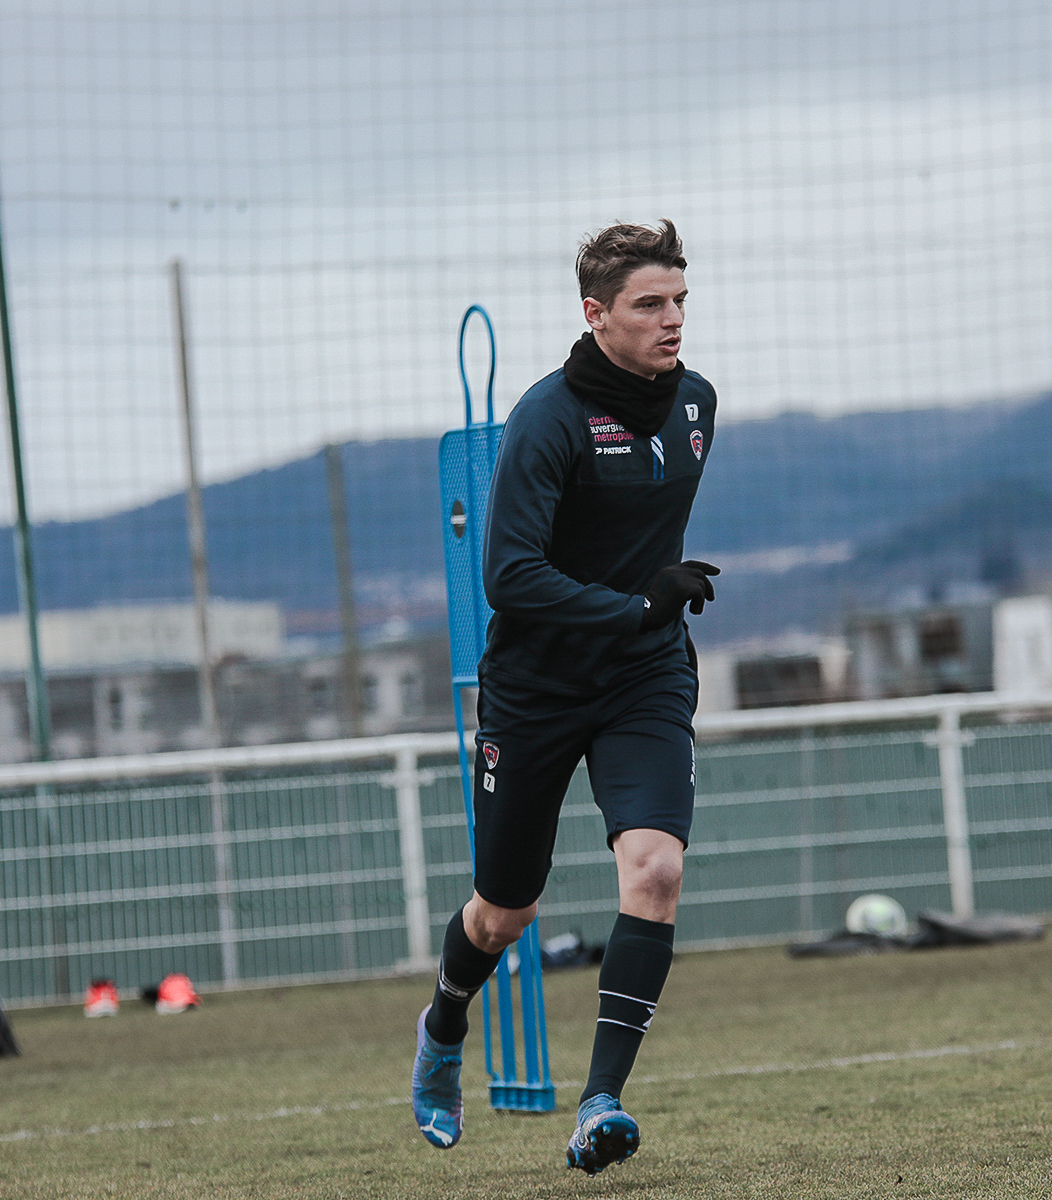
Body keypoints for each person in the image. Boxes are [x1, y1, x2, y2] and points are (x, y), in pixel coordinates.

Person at [411, 219, 720, 1176]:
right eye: (648, 305)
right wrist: (636, 601)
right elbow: (510, 576)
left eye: (678, 301)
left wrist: (647, 618)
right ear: (596, 315)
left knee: (656, 871)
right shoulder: (545, 420)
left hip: (643, 673)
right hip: (536, 688)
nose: (671, 321)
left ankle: (599, 1104)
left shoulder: (700, 404)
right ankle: (444, 1023)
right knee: (505, 912)